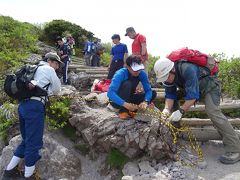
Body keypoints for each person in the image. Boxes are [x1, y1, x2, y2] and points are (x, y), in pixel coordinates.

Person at [154, 57, 240, 164]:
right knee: (173, 105)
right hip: (192, 88)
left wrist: (181, 111)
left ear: (173, 70)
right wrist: (166, 109)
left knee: (213, 112)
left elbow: (192, 97)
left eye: (166, 77)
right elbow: (170, 95)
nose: (165, 80)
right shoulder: (169, 76)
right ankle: (174, 136)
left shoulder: (188, 69)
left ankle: (235, 149)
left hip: (209, 87)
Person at [3, 52, 62, 179]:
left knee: (27, 140)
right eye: (56, 64)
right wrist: (47, 91)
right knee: (34, 143)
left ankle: (8, 171)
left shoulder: (32, 68)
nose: (57, 67)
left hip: (22, 106)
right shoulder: (49, 69)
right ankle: (28, 176)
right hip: (35, 107)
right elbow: (57, 89)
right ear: (50, 61)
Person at [107, 55, 156, 119]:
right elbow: (110, 93)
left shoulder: (142, 73)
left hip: (130, 97)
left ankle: (134, 109)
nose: (138, 72)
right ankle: (123, 111)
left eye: (139, 69)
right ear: (128, 67)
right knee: (128, 84)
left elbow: (148, 90)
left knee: (153, 93)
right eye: (135, 70)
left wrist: (145, 101)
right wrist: (125, 104)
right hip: (117, 100)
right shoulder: (120, 74)